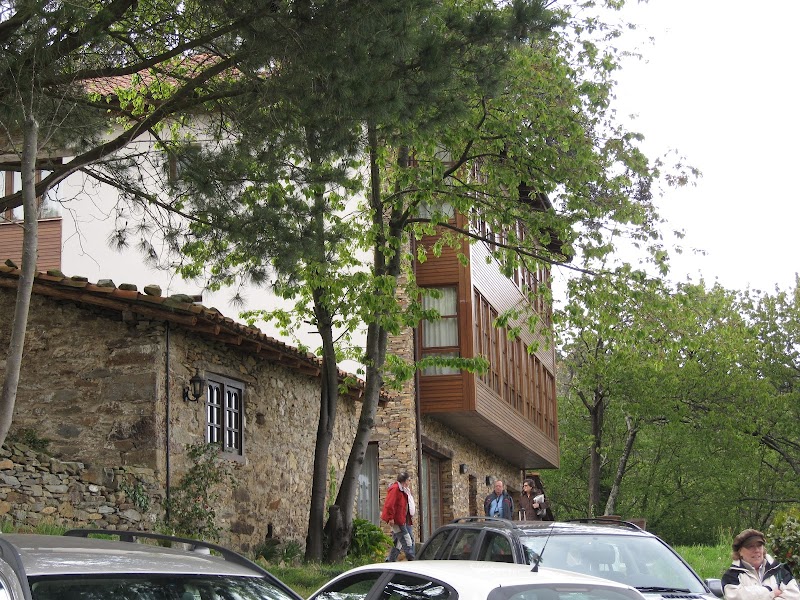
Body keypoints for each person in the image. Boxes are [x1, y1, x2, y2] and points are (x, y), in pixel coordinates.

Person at [721, 528, 800, 600]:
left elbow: (795, 596)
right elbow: (735, 597)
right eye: (750, 546)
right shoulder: (731, 576)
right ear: (740, 552)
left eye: (759, 546)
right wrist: (770, 592)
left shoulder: (780, 571)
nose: (756, 550)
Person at [381, 472, 415, 561]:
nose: (409, 482)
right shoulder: (395, 489)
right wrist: (391, 518)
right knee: (407, 540)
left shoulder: (403, 489)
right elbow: (389, 504)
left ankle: (390, 560)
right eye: (408, 480)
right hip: (397, 520)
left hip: (403, 519)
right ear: (405, 481)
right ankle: (411, 559)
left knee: (398, 542)